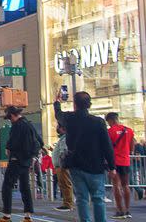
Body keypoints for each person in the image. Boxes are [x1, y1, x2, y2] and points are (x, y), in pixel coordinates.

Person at [54, 91, 115, 222]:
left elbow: (58, 114)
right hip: (95, 165)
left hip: (76, 164)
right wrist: (112, 166)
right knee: (98, 198)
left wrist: (57, 102)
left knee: (82, 198)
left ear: (75, 104)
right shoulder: (98, 122)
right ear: (89, 104)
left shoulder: (69, 119)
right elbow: (106, 145)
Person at [0, 105, 43, 222]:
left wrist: (8, 148)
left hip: (16, 160)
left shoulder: (17, 126)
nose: (10, 121)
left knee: (7, 186)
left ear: (12, 115)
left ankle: (7, 215)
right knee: (25, 187)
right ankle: (28, 216)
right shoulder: (29, 124)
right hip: (27, 161)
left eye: (9, 118)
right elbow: (40, 142)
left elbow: (12, 144)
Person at [106, 113, 135, 219]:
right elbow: (132, 148)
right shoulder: (129, 130)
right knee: (125, 185)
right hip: (126, 161)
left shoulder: (110, 131)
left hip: (115, 161)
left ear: (110, 120)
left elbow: (107, 147)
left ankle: (119, 211)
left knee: (116, 186)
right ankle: (127, 210)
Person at [53, 124, 74, 211]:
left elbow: (64, 151)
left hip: (62, 165)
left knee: (65, 184)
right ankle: (66, 203)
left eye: (58, 127)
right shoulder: (62, 138)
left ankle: (68, 204)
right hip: (60, 165)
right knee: (63, 184)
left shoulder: (64, 138)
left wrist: (62, 160)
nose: (57, 128)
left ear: (62, 128)